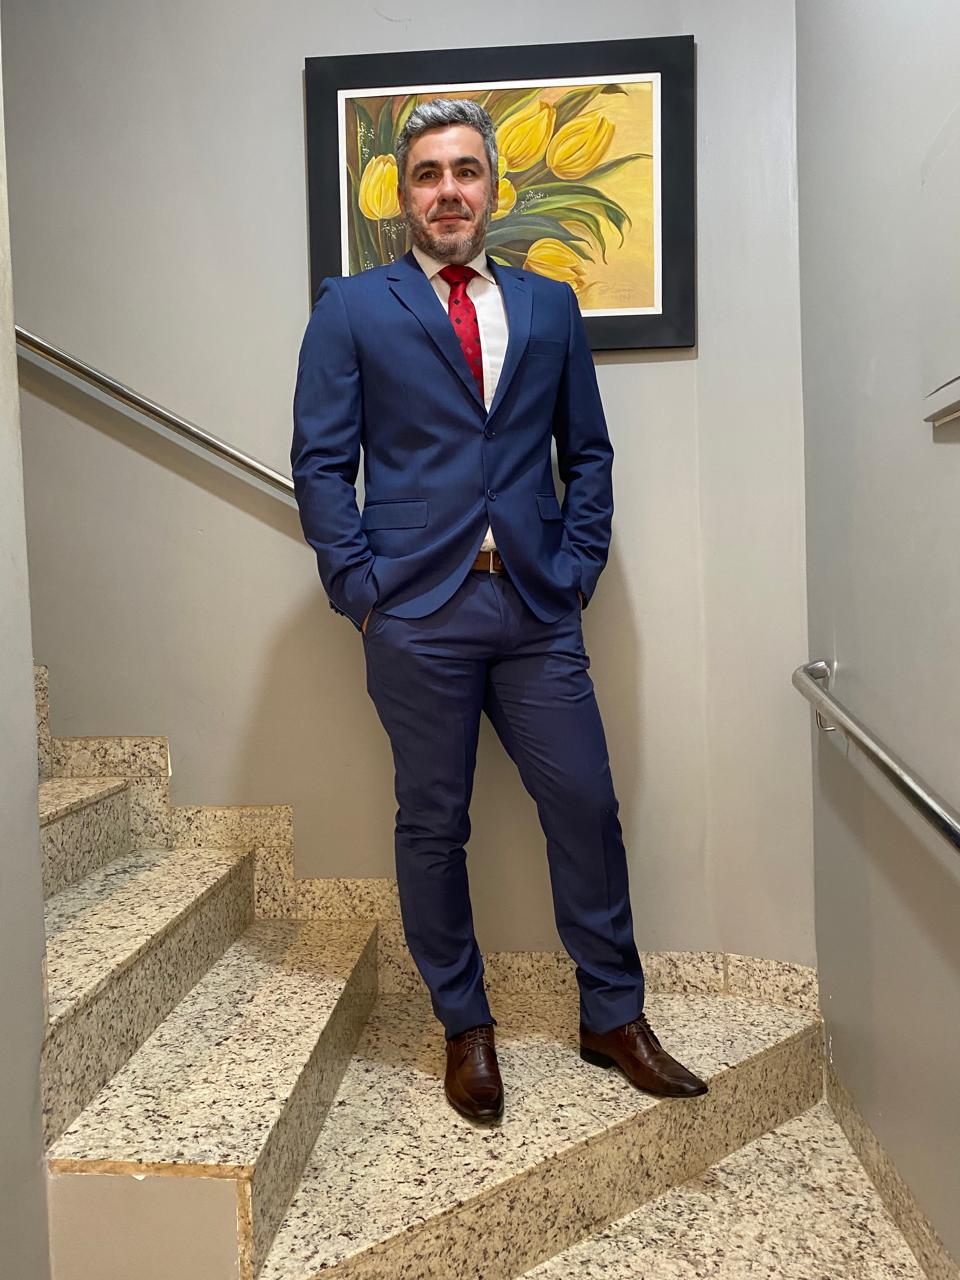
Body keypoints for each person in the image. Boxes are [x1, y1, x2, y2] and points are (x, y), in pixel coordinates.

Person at [291, 97, 707, 1121]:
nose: (448, 191)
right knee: (434, 822)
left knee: (586, 806)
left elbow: (588, 454)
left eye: (465, 171)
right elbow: (320, 462)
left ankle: (612, 1014)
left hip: (533, 603)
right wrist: (360, 591)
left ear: (494, 186)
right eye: (427, 173)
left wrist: (577, 567)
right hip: (414, 610)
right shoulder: (351, 307)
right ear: (402, 195)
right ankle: (464, 1022)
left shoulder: (549, 305)